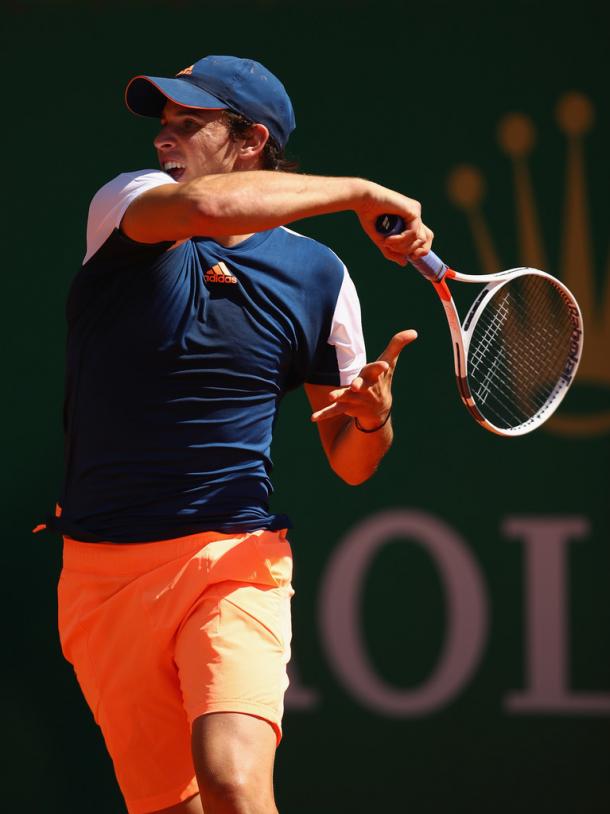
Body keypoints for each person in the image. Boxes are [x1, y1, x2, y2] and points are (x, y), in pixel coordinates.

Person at [49, 55, 433, 814]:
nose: (165, 141)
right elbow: (210, 210)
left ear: (251, 139)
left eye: (188, 125)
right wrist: (360, 192)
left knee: (231, 776)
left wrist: (371, 419)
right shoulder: (129, 204)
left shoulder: (321, 278)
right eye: (165, 125)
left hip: (233, 560)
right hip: (102, 576)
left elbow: (353, 465)